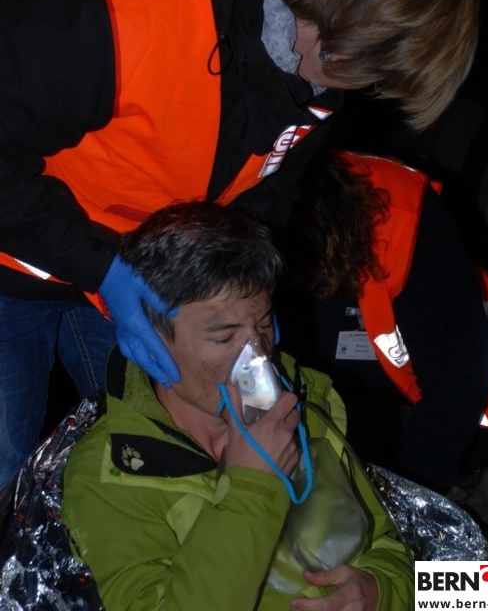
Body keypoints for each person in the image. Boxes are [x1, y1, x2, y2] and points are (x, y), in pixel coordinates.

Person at [0, 0, 479, 501]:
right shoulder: (104, 9)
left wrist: (239, 279)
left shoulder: (315, 48)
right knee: (5, 472)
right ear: (326, 20)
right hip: (18, 250)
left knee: (151, 477)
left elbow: (270, 179)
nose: (350, 93)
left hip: (136, 265)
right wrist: (104, 268)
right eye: (357, 73)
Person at [60, 201, 414, 611]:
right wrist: (250, 487)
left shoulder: (301, 409)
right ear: (151, 342)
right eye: (224, 337)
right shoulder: (110, 474)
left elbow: (389, 547)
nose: (256, 355)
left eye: (262, 325)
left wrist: (378, 591)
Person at [281, 150, 488, 495]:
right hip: (378, 405)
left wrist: (406, 498)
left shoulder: (400, 223)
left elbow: (457, 383)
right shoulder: (259, 216)